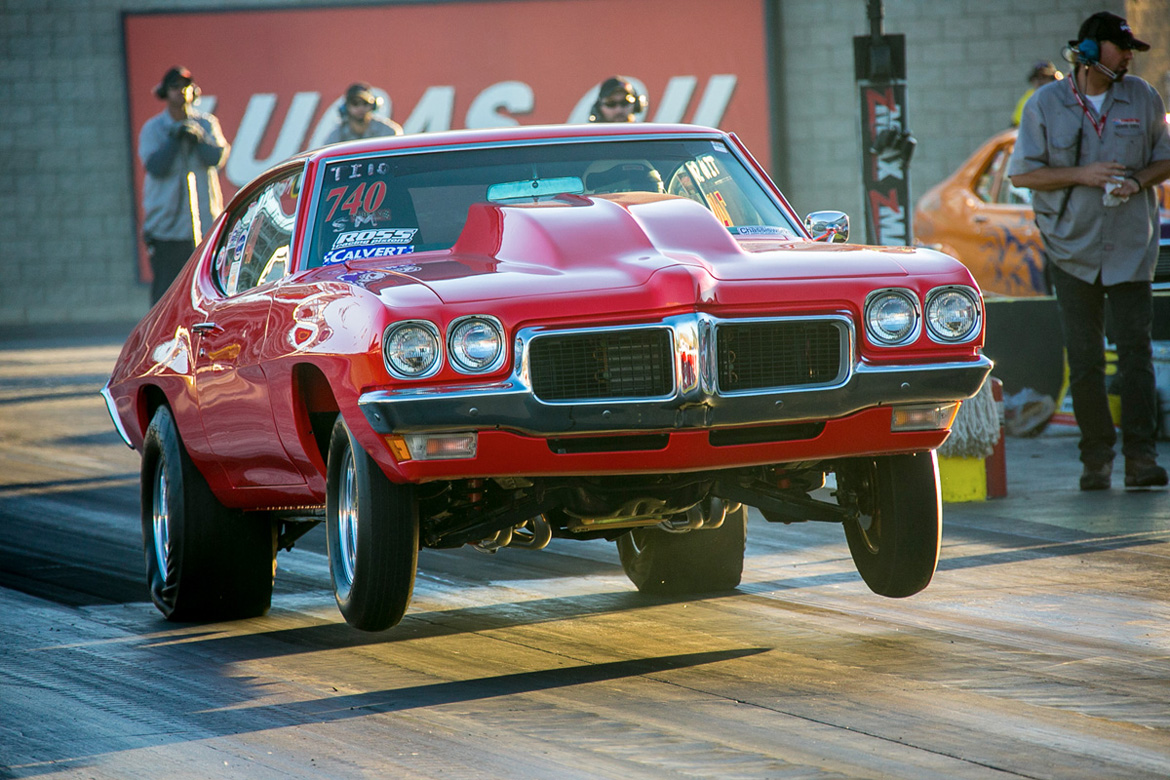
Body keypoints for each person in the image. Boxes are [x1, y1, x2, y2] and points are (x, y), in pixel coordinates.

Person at [1008, 11, 1170, 490]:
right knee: (1085, 359)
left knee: (1135, 354)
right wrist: (1084, 174)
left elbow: (1165, 157)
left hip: (1129, 247)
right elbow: (1022, 175)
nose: (1128, 57)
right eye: (1122, 48)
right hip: (1070, 248)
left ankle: (1141, 459)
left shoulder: (1142, 97)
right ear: (1093, 51)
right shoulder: (1045, 104)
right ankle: (1095, 458)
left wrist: (1138, 181)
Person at [138, 66, 230, 304]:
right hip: (166, 228)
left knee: (205, 291)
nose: (181, 91)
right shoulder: (154, 128)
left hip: (203, 228)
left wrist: (198, 139)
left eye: (186, 86)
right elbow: (156, 167)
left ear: (194, 91)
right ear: (165, 92)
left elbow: (216, 158)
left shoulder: (207, 124)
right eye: (175, 87)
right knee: (165, 294)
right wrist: (174, 139)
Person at [324, 82, 403, 144]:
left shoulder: (389, 132)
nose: (360, 108)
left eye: (365, 103)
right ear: (346, 107)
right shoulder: (336, 137)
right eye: (355, 103)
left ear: (373, 106)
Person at [1011, 61, 1063, 127]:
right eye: (1036, 78)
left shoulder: (1063, 97)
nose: (1040, 81)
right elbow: (1016, 125)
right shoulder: (1027, 98)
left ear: (1054, 80)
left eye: (1044, 77)